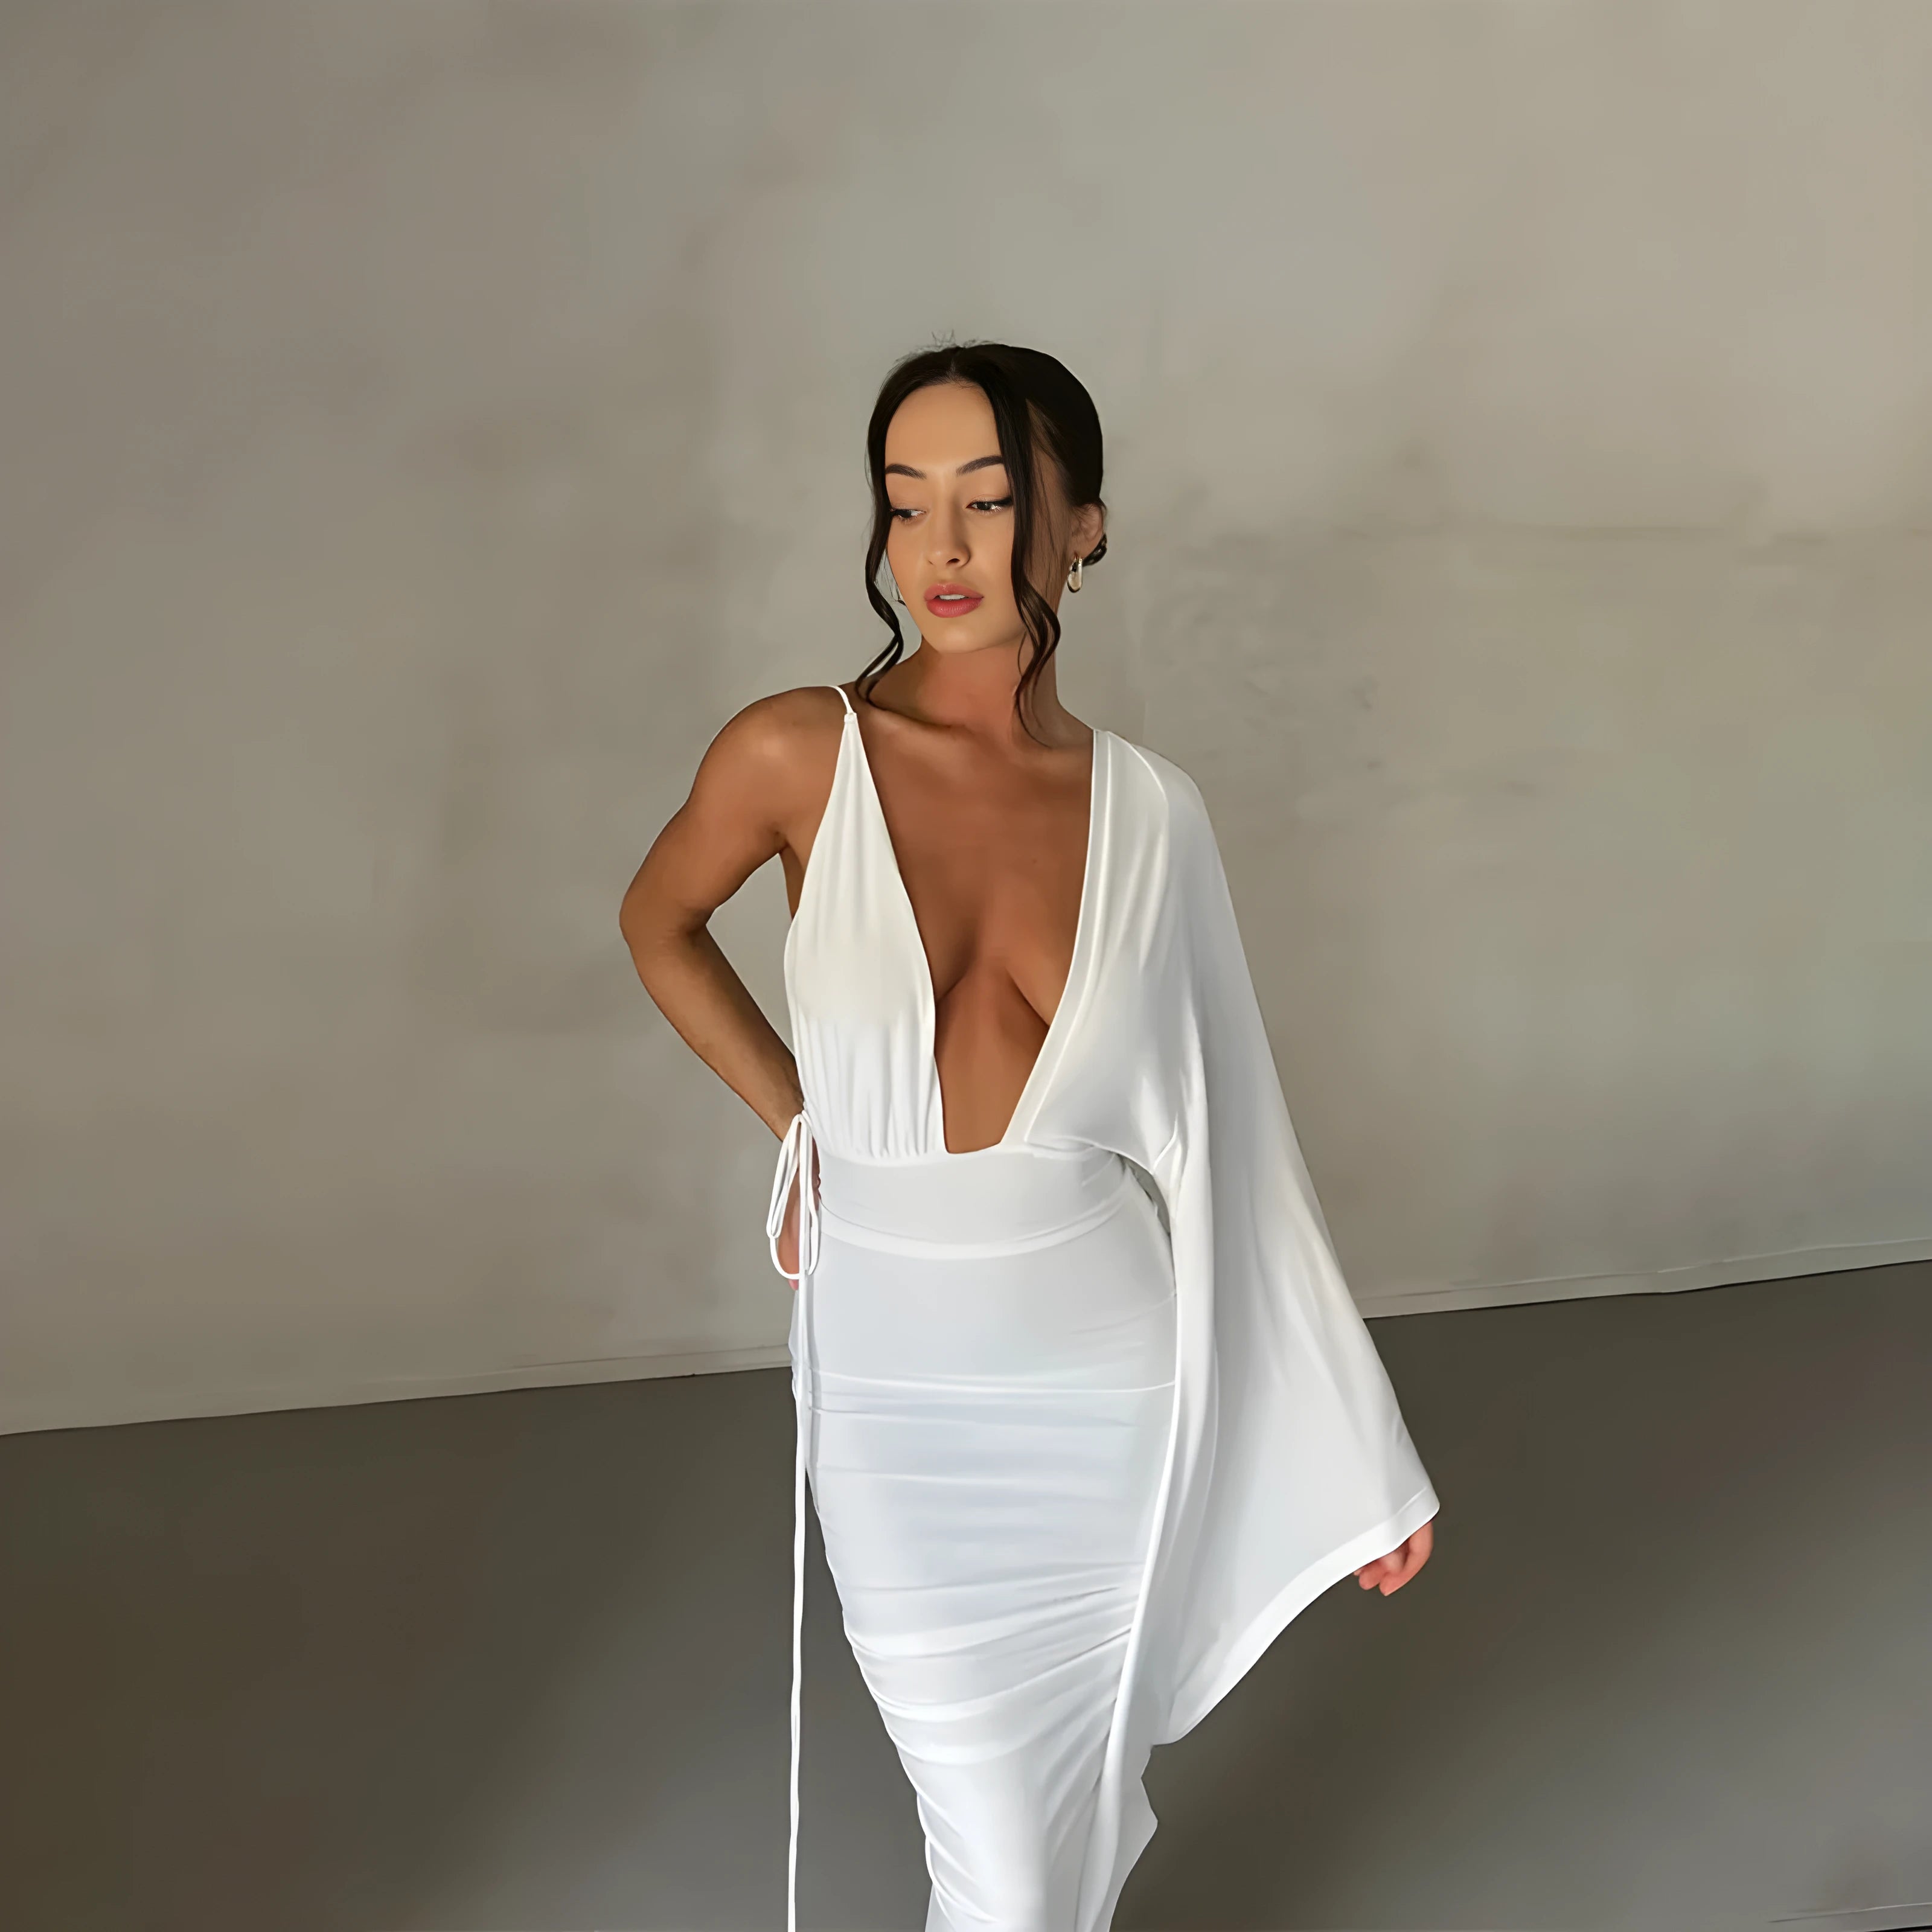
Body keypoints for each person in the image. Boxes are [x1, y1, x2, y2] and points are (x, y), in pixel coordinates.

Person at [619, 341, 1439, 1932]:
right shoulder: (796, 754)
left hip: (1105, 1390)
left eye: (990, 502)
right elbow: (659, 924)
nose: (939, 547)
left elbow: (1236, 1141)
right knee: (997, 1839)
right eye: (905, 501)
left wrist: (1358, 1455)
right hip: (894, 1400)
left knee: (1036, 1857)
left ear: (1083, 528)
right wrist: (801, 1125)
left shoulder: (1155, 814)